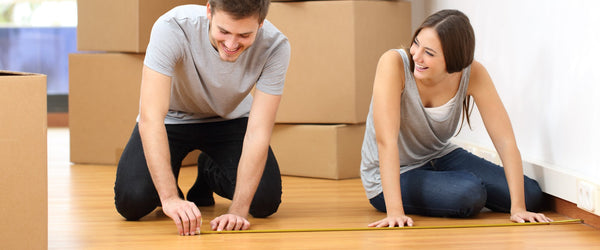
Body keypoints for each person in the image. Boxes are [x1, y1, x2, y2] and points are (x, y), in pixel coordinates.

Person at [360, 9, 552, 228]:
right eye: (416, 43)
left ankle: (454, 187)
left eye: (429, 53)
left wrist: (518, 208)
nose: (416, 56)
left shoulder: (473, 74)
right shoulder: (393, 64)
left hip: (439, 156)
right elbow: (386, 142)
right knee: (469, 193)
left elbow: (505, 141)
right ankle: (452, 188)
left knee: (531, 195)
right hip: (394, 172)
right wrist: (395, 212)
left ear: (453, 60)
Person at [114, 0, 290, 235]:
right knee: (132, 201)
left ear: (260, 23)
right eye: (224, 31)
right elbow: (151, 117)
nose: (231, 44)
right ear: (209, 11)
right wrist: (169, 198)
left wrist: (237, 211)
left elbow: (258, 132)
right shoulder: (172, 27)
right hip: (171, 120)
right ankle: (168, 179)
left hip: (230, 120)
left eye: (244, 35)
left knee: (264, 201)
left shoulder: (275, 46)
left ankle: (208, 171)